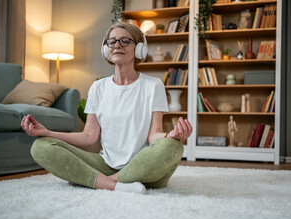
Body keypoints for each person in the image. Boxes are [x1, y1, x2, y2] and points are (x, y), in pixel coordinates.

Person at [21, 22, 192, 195]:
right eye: (112, 41)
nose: (117, 45)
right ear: (106, 49)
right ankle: (115, 185)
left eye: (125, 41)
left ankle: (102, 181)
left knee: (173, 147)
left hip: (143, 167)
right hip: (105, 165)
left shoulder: (153, 86)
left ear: (139, 49)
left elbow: (154, 133)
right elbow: (89, 136)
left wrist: (170, 136)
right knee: (40, 147)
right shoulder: (98, 87)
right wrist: (47, 132)